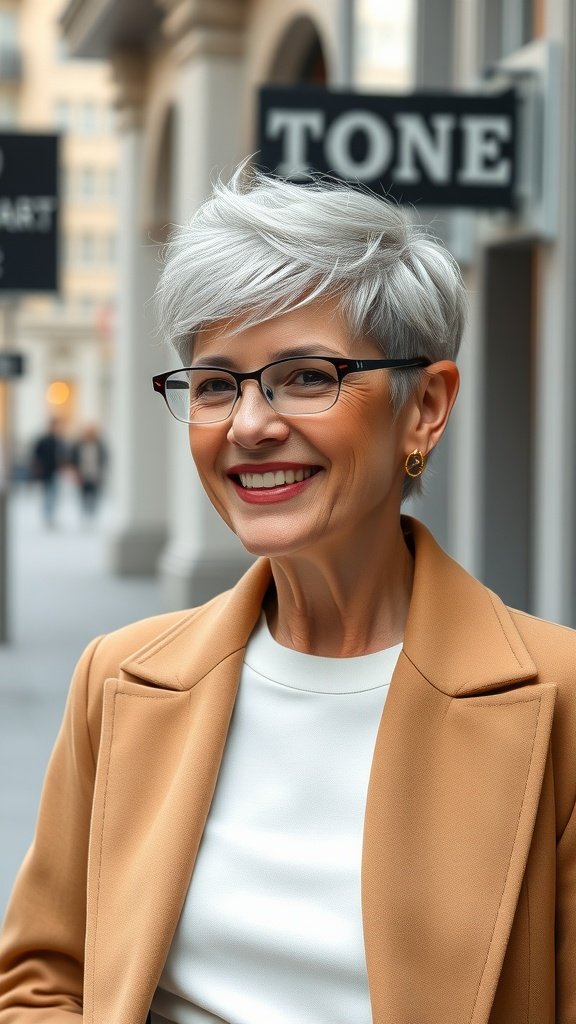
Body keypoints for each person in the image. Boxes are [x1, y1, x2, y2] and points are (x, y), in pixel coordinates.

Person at [0, 169, 574, 1024]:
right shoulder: (119, 678)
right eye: (215, 383)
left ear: (427, 407)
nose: (248, 424)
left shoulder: (558, 697)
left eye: (306, 376)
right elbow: (43, 981)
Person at [30, 417, 67, 527]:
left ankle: (52, 517)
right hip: (46, 472)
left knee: (55, 495)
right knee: (47, 495)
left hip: (56, 472)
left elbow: (63, 454)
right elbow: (36, 454)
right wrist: (38, 467)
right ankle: (47, 517)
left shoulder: (59, 440)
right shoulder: (44, 440)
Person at [69, 425, 107, 518]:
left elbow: (104, 459)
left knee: (94, 493)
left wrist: (101, 472)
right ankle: (84, 511)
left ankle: (92, 511)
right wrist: (75, 472)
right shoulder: (79, 445)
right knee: (83, 493)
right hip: (82, 473)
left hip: (95, 473)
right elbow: (73, 459)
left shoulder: (99, 445)